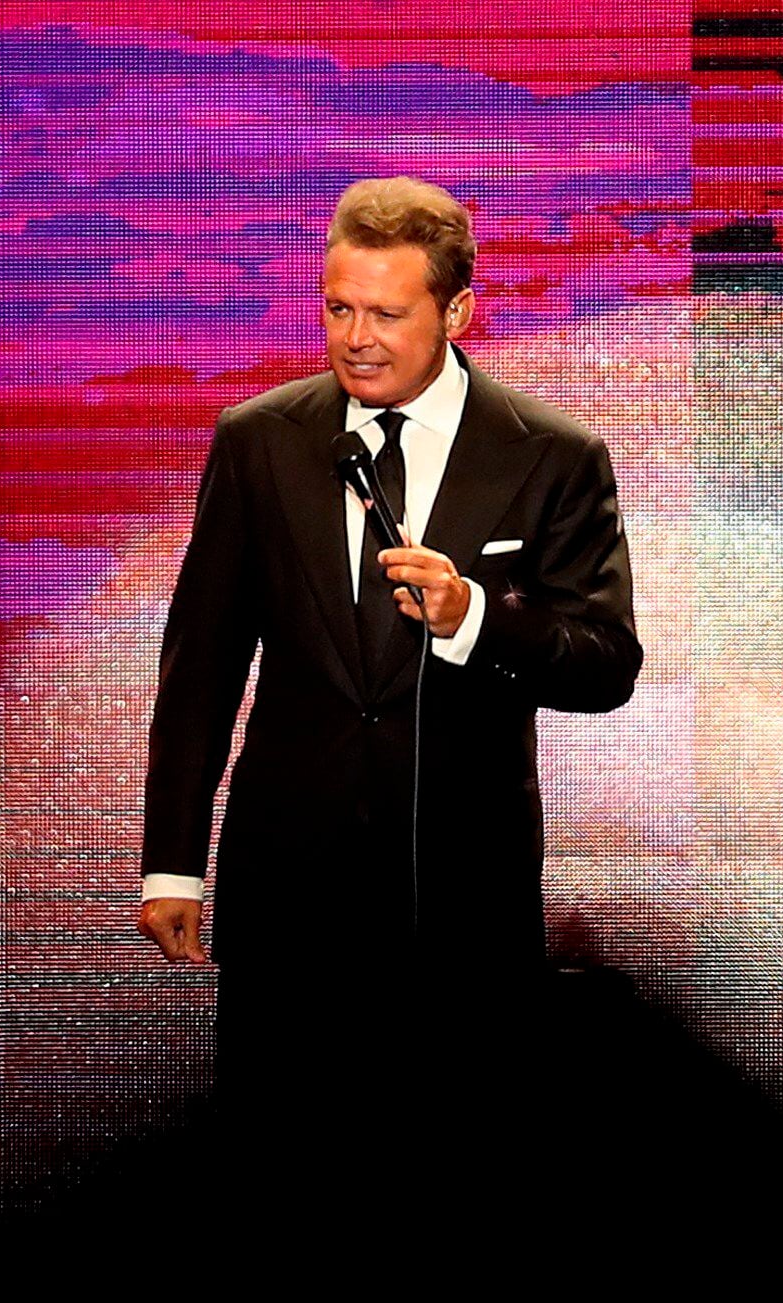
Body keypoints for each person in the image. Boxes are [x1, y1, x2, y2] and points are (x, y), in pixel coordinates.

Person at [136, 177, 641, 1205]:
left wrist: (473, 617)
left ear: (458, 312)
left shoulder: (553, 455)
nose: (355, 339)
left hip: (462, 905)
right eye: (338, 308)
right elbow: (201, 666)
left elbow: (605, 665)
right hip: (289, 899)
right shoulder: (260, 439)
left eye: (386, 313)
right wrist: (172, 864)